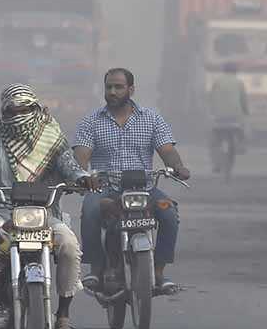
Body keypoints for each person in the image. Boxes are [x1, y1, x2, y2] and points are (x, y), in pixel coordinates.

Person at [0, 84, 94, 329]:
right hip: (1, 213)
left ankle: (63, 314)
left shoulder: (53, 142)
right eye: (13, 110)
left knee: (68, 243)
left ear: (36, 109)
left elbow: (71, 166)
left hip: (44, 214)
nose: (19, 116)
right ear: (4, 112)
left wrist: (82, 179)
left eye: (25, 109)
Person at [74, 68, 191, 294]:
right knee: (89, 210)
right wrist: (80, 175)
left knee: (168, 213)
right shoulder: (91, 121)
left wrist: (178, 167)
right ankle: (96, 268)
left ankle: (158, 272)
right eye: (109, 87)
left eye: (118, 87)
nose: (112, 91)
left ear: (131, 89)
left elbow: (166, 149)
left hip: (144, 188)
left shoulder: (151, 118)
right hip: (105, 188)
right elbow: (82, 155)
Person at [208, 61, 248, 172]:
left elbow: (211, 99)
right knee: (240, 130)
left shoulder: (217, 82)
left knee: (214, 143)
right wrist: (245, 112)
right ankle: (241, 144)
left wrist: (212, 111)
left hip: (219, 118)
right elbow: (243, 101)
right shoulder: (239, 83)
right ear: (235, 71)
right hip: (235, 118)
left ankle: (216, 164)